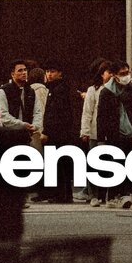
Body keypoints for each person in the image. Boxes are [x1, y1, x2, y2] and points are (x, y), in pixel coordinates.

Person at [95, 61, 132, 206]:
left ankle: (121, 194)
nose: (126, 76)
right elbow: (101, 116)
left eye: (127, 73)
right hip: (113, 133)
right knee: (115, 163)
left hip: (128, 131)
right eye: (122, 74)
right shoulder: (106, 92)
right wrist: (101, 138)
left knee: (126, 163)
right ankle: (115, 195)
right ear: (114, 75)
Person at [41, 60, 77, 204]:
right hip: (63, 132)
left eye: (53, 72)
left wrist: (47, 131)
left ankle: (61, 195)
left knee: (58, 164)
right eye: (48, 72)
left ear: (60, 73)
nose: (49, 74)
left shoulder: (58, 90)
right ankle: (64, 194)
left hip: (58, 133)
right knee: (62, 164)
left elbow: (55, 114)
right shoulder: (58, 88)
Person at [76, 59, 107, 204]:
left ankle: (104, 193)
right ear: (101, 74)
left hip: (111, 131)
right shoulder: (93, 90)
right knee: (94, 163)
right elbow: (87, 112)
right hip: (95, 131)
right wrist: (85, 131)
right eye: (109, 72)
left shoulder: (117, 89)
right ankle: (93, 194)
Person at [0, 60, 33, 131]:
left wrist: (36, 125)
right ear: (13, 74)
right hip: (8, 132)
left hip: (27, 132)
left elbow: (37, 112)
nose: (24, 73)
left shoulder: (30, 91)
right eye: (20, 70)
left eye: (25, 70)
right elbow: (2, 115)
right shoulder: (4, 91)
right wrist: (21, 124)